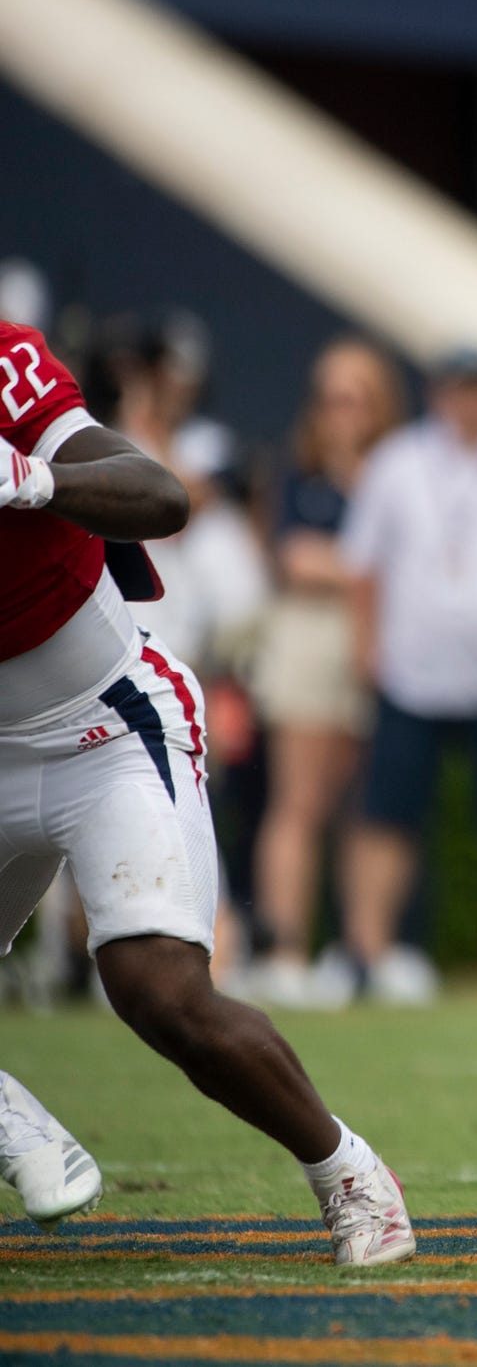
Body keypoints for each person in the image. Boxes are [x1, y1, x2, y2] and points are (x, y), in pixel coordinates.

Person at [0, 320, 413, 1262]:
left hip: (97, 728)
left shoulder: (3, 363)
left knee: (160, 993)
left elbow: (160, 495)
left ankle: (345, 1169)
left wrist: (33, 480)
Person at [337, 348, 477, 1000]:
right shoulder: (398, 464)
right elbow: (363, 566)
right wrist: (366, 648)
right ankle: (365, 948)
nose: (471, 403)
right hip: (413, 671)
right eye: (460, 391)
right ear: (439, 396)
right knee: (387, 816)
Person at [251, 338, 405, 1009]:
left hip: (382, 641)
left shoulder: (399, 472)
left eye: (357, 397)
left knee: (366, 808)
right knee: (300, 802)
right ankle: (285, 951)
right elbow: (296, 559)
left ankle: (364, 952)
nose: (343, 411)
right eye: (332, 397)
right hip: (312, 639)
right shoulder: (296, 471)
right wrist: (362, 570)